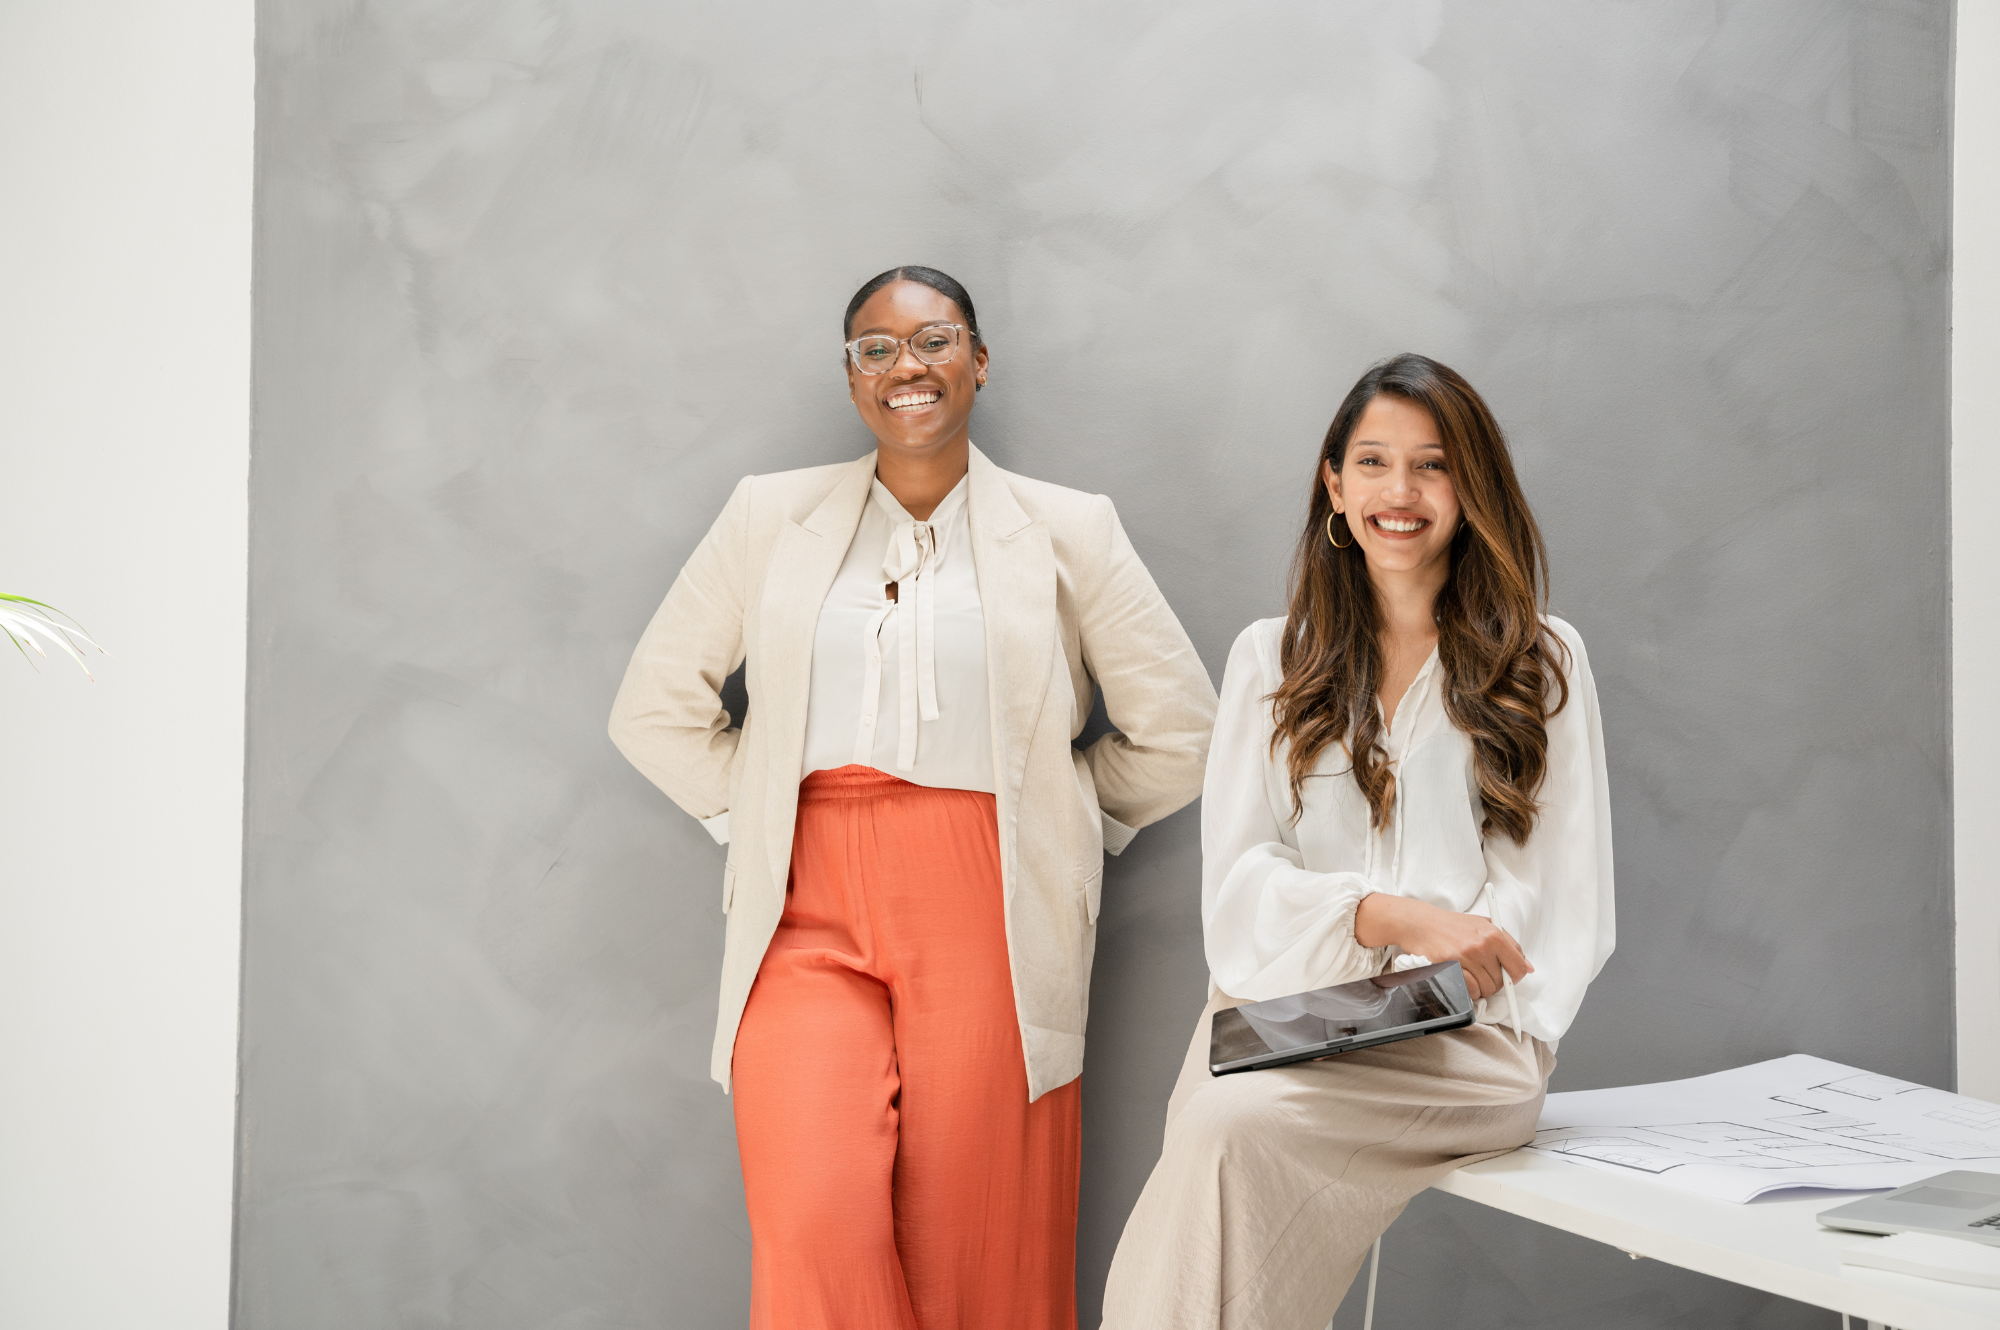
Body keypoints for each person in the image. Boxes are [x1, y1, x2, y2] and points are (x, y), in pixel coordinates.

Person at [608, 265, 1218, 1330]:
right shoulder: (771, 516)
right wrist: (755, 821)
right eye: (875, 348)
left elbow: (1183, 730)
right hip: (803, 903)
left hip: (991, 898)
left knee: (979, 1239)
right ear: (851, 378)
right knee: (812, 1214)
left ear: (977, 362)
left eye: (932, 341)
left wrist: (1063, 815)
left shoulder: (1068, 528)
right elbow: (653, 708)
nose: (906, 367)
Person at [1101, 353, 1614, 1329]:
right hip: (1285, 1014)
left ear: (1470, 486)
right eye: (1372, 462)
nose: (1400, 490)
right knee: (1222, 1118)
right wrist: (1386, 917)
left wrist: (1453, 974)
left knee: (1229, 1125)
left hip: (1469, 1037)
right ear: (1333, 486)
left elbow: (1560, 894)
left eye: (1431, 464)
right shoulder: (1270, 657)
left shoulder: (1540, 659)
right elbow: (1239, 893)